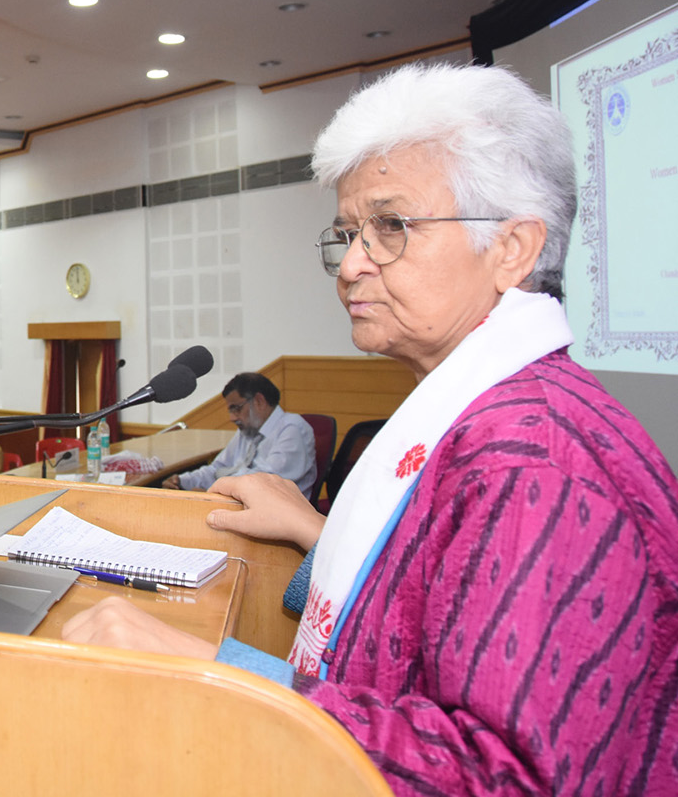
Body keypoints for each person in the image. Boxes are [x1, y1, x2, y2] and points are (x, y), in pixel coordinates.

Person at [60, 64, 678, 794]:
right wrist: (317, 534)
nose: (351, 265)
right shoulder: (482, 404)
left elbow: (498, 778)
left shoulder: (532, 458)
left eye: (391, 227)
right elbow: (427, 610)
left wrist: (214, 670)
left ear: (511, 249)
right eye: (348, 232)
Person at [162, 373, 316, 498]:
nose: (232, 418)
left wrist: (212, 493)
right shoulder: (248, 430)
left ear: (259, 401)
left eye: (236, 408)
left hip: (281, 518)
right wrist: (182, 481)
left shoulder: (292, 429)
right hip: (243, 508)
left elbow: (263, 482)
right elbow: (218, 468)